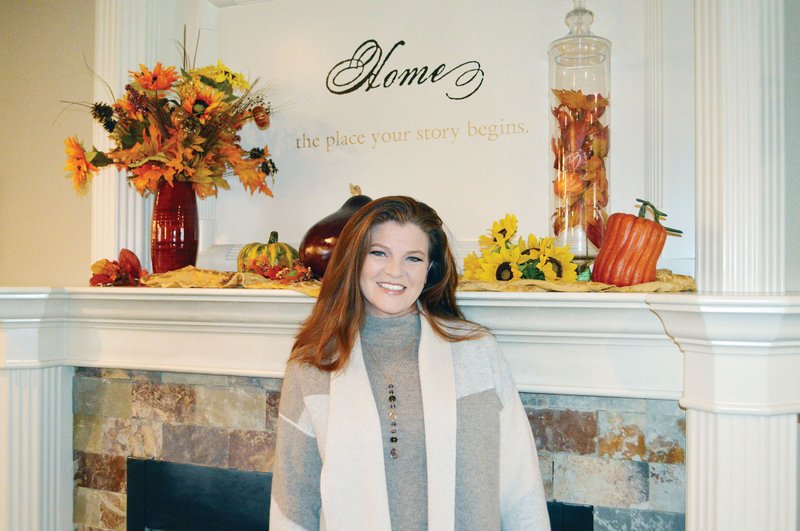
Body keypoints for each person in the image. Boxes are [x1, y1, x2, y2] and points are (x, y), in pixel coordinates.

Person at [269, 196, 550, 530]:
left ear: (430, 268)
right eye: (379, 253)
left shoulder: (476, 352)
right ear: (353, 259)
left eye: (413, 258)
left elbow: (521, 486)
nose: (395, 271)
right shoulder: (313, 363)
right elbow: (294, 502)